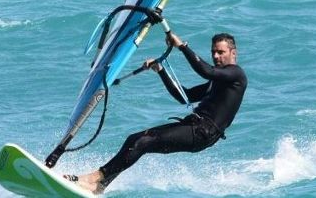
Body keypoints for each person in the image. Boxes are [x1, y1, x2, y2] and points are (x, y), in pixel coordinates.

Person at [66, 31, 247, 194]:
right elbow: (185, 96)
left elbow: (206, 71)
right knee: (136, 140)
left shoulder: (236, 75)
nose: (216, 56)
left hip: (202, 132)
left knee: (141, 141)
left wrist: (183, 46)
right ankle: (100, 185)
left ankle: (93, 179)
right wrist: (161, 71)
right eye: (213, 52)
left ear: (233, 53)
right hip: (194, 128)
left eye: (220, 52)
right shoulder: (216, 81)